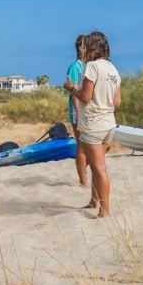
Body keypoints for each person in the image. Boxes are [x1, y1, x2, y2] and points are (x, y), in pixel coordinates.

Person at [64, 30, 121, 218]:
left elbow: (86, 97)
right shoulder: (113, 69)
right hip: (109, 123)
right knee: (100, 166)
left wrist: (72, 88)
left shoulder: (92, 67)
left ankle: (104, 211)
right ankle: (94, 201)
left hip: (93, 123)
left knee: (99, 169)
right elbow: (117, 102)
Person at [67, 34, 89, 188]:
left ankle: (82, 170)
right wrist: (78, 113)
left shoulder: (89, 66)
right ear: (80, 48)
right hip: (77, 111)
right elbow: (73, 92)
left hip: (88, 111)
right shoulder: (75, 67)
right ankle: (83, 181)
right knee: (81, 145)